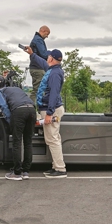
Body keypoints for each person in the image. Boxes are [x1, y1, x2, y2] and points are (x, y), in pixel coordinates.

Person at [24, 46, 66, 178]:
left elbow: (53, 94)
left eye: (48, 56)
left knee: (52, 139)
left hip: (50, 109)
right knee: (53, 138)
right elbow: (42, 63)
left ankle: (60, 169)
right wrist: (32, 54)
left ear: (52, 58)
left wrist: (49, 113)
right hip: (50, 108)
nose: (46, 58)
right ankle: (56, 166)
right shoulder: (53, 69)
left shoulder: (54, 74)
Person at [0, 82, 36, 181]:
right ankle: (26, 171)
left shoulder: (0, 92)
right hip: (32, 110)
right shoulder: (18, 89)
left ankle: (17, 172)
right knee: (28, 142)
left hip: (18, 111)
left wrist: (10, 120)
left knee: (17, 142)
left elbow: (3, 106)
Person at [28, 26, 50, 104]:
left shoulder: (37, 39)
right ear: (43, 31)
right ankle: (30, 107)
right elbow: (43, 54)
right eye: (47, 34)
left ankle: (32, 107)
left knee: (37, 89)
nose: (47, 36)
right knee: (38, 90)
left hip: (35, 67)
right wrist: (50, 55)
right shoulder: (38, 40)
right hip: (38, 68)